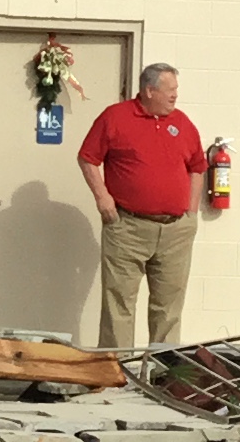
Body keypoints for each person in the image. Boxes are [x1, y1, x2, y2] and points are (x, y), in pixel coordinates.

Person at [78, 62, 204, 348]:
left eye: (176, 90)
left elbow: (198, 166)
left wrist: (191, 212)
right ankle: (117, 370)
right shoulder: (115, 118)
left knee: (169, 306)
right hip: (128, 227)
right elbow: (87, 157)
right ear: (149, 90)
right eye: (169, 90)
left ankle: (164, 374)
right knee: (119, 302)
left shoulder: (182, 123)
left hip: (175, 231)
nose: (175, 96)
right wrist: (102, 198)